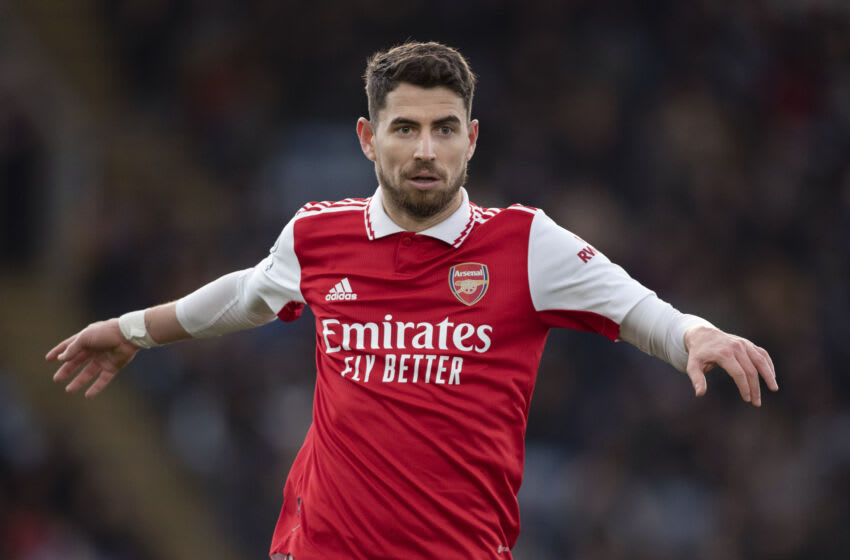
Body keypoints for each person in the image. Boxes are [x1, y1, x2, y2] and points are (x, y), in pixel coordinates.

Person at [46, 42, 777, 560]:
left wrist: (695, 335)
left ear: (471, 139)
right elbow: (246, 294)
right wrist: (131, 330)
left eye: (443, 128)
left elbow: (636, 307)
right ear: (368, 138)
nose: (424, 149)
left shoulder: (526, 245)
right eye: (405, 128)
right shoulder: (318, 234)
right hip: (318, 547)